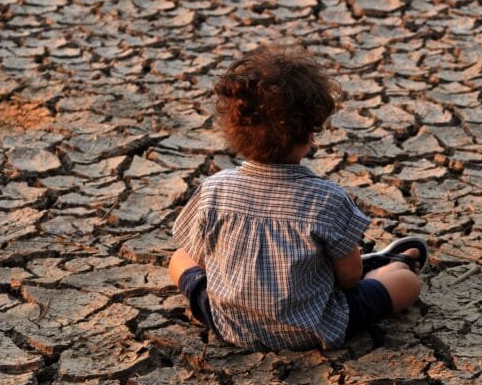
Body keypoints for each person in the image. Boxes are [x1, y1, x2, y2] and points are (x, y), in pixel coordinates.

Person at [167, 44, 426, 351]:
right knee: (406, 282)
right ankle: (388, 265)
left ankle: (376, 265)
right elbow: (349, 279)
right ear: (309, 134)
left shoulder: (213, 190)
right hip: (313, 327)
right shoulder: (327, 200)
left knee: (179, 258)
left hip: (229, 323)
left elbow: (201, 259)